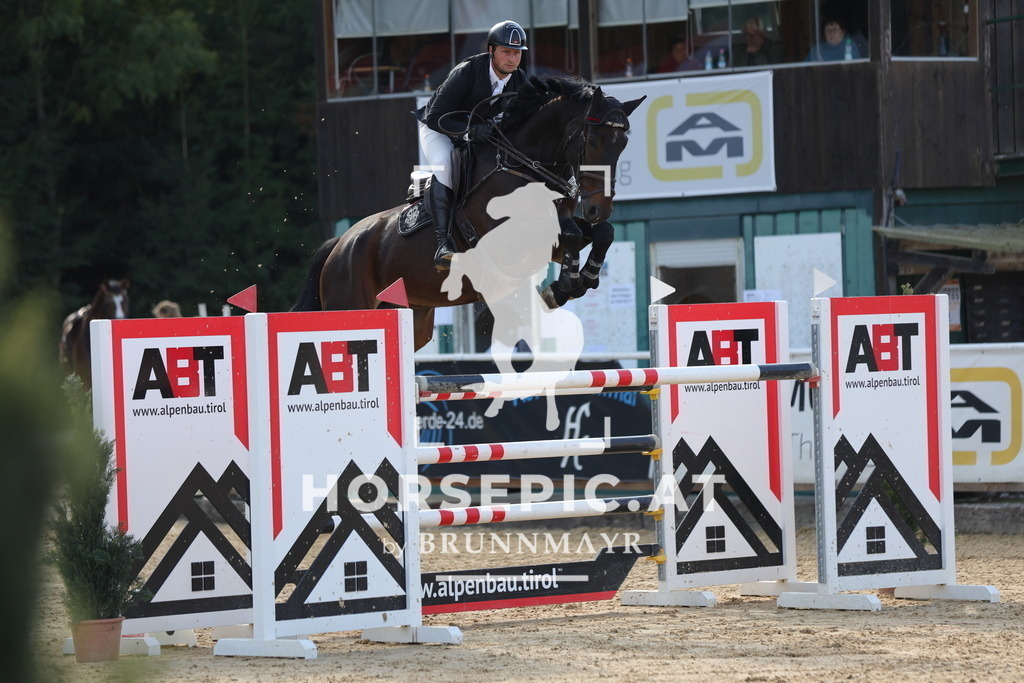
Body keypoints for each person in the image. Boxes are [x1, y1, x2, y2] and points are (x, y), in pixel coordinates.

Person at [412, 20, 529, 271]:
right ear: (491, 50)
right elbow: (435, 117)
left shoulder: (519, 81)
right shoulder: (467, 72)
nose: (511, 59)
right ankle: (443, 245)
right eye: (506, 52)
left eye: (516, 53)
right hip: (439, 128)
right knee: (445, 166)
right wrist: (468, 131)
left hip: (478, 133)